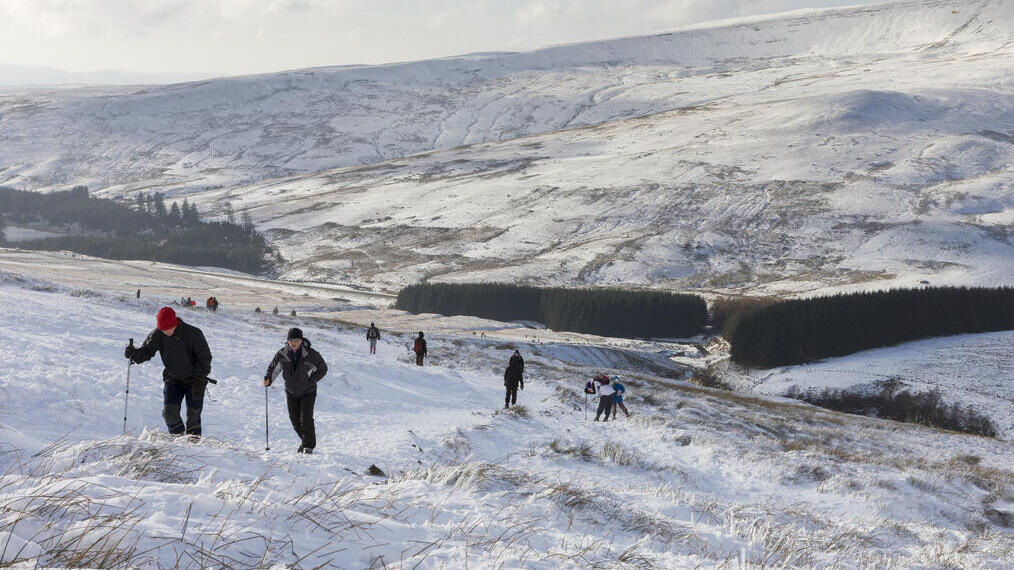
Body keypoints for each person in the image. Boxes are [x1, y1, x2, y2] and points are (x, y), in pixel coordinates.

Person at [124, 307, 213, 438]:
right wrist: (135, 354)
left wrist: (200, 379)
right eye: (162, 329)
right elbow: (147, 351)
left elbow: (205, 359)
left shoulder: (193, 334)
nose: (165, 331)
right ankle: (179, 440)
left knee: (193, 417)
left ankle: (193, 445)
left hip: (195, 380)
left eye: (167, 328)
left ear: (174, 323)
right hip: (173, 379)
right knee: (169, 414)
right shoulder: (159, 334)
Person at [263, 328, 328, 454]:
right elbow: (274, 368)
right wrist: (268, 379)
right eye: (291, 340)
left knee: (306, 419)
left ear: (301, 340)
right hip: (291, 391)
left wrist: (311, 380)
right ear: (288, 341)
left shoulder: (310, 353)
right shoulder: (283, 354)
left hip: (308, 391)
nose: (293, 343)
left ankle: (308, 446)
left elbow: (323, 368)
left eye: (296, 340)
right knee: (295, 421)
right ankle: (306, 442)